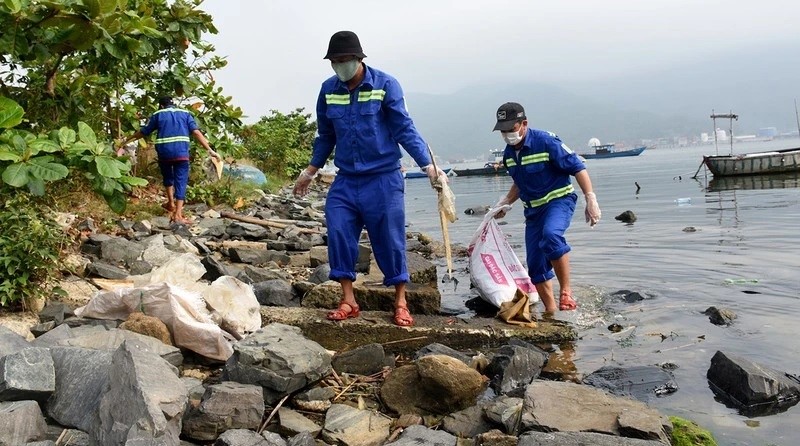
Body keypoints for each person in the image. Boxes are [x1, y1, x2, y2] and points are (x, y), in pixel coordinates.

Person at [293, 30, 445, 327]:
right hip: (347, 179)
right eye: (335, 61)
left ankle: (400, 302)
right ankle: (348, 299)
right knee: (338, 229)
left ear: (359, 59)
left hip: (383, 177)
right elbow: (326, 136)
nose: (340, 65)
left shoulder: (385, 85)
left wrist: (428, 165)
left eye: (345, 59)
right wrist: (310, 171)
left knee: (390, 238)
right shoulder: (328, 90)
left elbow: (404, 129)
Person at [492, 102, 601, 313]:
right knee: (535, 266)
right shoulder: (508, 155)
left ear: (524, 124)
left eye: (511, 129)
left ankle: (566, 292)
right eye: (503, 131)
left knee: (551, 236)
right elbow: (519, 183)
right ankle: (552, 314)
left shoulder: (546, 141)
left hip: (559, 202)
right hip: (533, 212)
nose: (507, 135)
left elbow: (577, 167)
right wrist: (505, 202)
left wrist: (590, 198)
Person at [117, 96, 219, 224]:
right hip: (181, 153)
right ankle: (178, 215)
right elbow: (196, 133)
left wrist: (127, 140)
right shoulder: (185, 114)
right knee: (180, 181)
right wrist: (210, 149)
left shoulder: (158, 114)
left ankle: (171, 203)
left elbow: (144, 132)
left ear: (161, 105)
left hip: (165, 152)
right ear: (174, 104)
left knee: (168, 177)